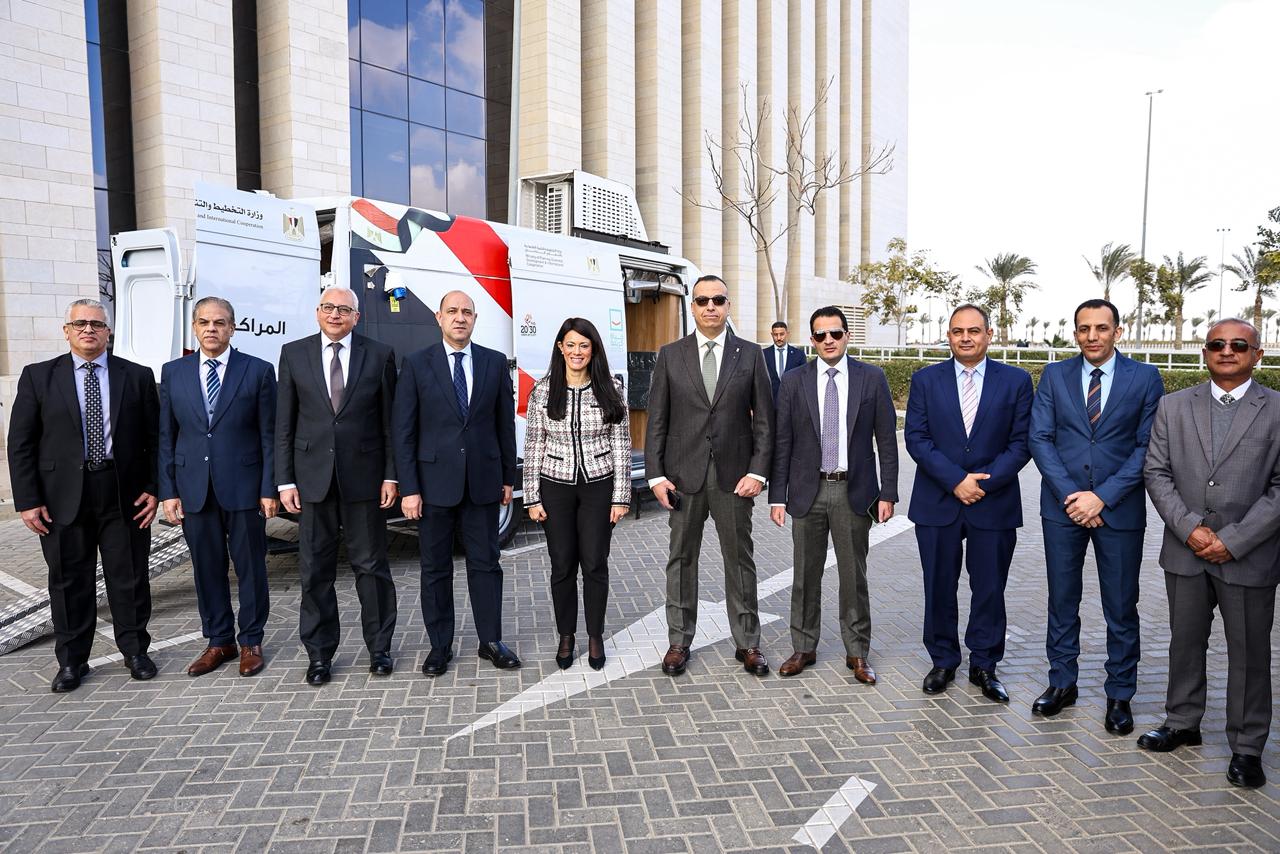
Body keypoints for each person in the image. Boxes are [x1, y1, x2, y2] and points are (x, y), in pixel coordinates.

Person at [1139, 318, 1280, 789]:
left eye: (1239, 344)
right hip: (1186, 552)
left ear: (1257, 354)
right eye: (1217, 344)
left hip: (1250, 555)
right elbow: (1156, 472)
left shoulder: (1277, 409)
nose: (1227, 351)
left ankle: (1247, 746)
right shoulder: (1173, 405)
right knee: (1184, 642)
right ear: (1205, 352)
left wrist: (1234, 540)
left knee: (1249, 654)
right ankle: (1182, 722)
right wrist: (1190, 529)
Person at [7, 298, 159, 692]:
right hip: (61, 499)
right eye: (80, 324)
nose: (88, 330)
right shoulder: (39, 377)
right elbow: (21, 443)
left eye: (96, 324)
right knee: (69, 581)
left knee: (129, 577)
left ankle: (135, 652)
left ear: (108, 331)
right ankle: (72, 661)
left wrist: (154, 489)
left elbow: (155, 439)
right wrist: (27, 500)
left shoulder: (137, 376)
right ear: (67, 331)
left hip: (123, 494)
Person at [1028, 299, 1163, 734]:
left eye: (1101, 328)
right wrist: (1074, 498)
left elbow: (1147, 446)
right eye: (1084, 328)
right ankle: (1061, 683)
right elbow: (1040, 438)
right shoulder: (1055, 375)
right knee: (1062, 600)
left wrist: (1101, 498)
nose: (1092, 336)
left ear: (1117, 332)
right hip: (1063, 508)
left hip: (1119, 509)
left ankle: (1119, 694)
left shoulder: (1145, 378)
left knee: (1121, 606)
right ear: (1075, 333)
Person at [645, 274, 774, 676]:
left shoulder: (750, 355)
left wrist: (758, 472)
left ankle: (748, 642)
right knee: (681, 560)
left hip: (735, 479)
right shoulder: (671, 355)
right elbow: (657, 421)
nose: (711, 307)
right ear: (693, 307)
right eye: (702, 301)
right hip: (683, 478)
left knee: (740, 560)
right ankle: (679, 641)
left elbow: (765, 421)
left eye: (718, 300)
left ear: (728, 305)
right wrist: (655, 476)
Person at [904, 304, 1033, 702]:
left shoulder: (1016, 381)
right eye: (958, 331)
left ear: (988, 335)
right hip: (937, 501)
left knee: (990, 588)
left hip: (993, 502)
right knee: (938, 586)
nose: (965, 337)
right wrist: (956, 480)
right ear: (948, 335)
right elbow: (916, 438)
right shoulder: (926, 380)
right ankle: (943, 660)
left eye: (973, 331)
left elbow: (1021, 442)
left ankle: (985, 665)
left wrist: (982, 484)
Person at [276, 285, 399, 685]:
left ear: (356, 317)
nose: (335, 315)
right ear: (317, 312)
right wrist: (284, 480)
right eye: (328, 307)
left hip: (365, 480)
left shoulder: (380, 355)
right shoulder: (293, 354)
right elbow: (284, 424)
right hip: (312, 480)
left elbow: (390, 423)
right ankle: (319, 655)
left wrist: (391, 474)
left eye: (343, 310)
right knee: (315, 571)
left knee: (372, 568)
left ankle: (379, 650)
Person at [394, 290, 519, 676]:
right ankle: (440, 646)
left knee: (486, 565)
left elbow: (504, 425)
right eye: (452, 311)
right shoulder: (416, 364)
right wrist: (409, 488)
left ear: (475, 319)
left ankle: (491, 641)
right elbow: (404, 431)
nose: (460, 317)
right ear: (439, 317)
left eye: (467, 312)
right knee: (435, 568)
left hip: (482, 484)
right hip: (433, 487)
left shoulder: (494, 363)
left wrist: (508, 478)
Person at [769, 307, 898, 683]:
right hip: (806, 493)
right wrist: (778, 496)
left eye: (835, 334)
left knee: (853, 577)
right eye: (821, 335)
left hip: (853, 492)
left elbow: (886, 440)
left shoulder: (871, 378)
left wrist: (888, 492)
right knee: (804, 575)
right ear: (812, 340)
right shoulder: (794, 381)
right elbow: (782, 441)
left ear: (847, 336)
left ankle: (857, 652)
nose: (829, 340)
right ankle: (803, 647)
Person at [158, 297, 278, 678]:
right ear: (195, 326)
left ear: (232, 328)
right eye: (205, 322)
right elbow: (166, 436)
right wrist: (168, 491)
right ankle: (219, 641)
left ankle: (251, 640)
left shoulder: (258, 371)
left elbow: (270, 436)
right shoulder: (173, 372)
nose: (212, 328)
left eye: (220, 322)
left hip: (244, 488)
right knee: (206, 568)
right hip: (194, 488)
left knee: (251, 568)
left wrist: (269, 488)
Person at [523, 318, 632, 670]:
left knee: (595, 562)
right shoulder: (542, 391)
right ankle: (566, 635)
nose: (577, 351)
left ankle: (595, 635)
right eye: (570, 345)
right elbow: (534, 444)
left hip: (599, 486)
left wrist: (621, 496)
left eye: (584, 345)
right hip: (555, 486)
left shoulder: (611, 388)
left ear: (593, 350)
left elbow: (621, 443)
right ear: (560, 348)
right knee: (562, 564)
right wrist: (532, 497)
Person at [764, 320, 807, 402]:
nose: (779, 338)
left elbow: (804, 380)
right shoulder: (763, 354)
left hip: (793, 402)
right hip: (770, 402)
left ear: (787, 334)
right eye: (775, 335)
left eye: (782, 334)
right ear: (772, 335)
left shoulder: (799, 355)